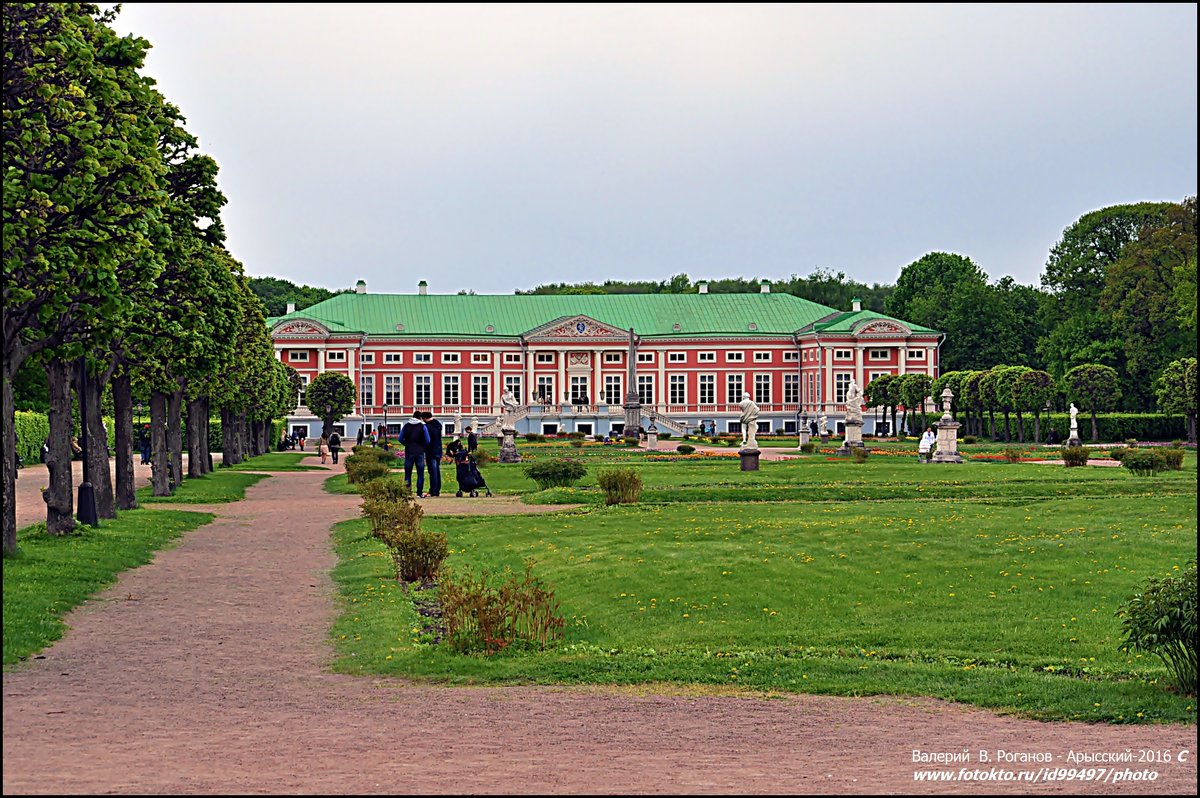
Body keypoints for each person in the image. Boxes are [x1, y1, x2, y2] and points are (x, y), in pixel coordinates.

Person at [399, 411, 430, 497]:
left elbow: (400, 438)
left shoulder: (406, 426)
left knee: (408, 473)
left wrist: (407, 444)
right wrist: (422, 446)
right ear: (420, 418)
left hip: (409, 451)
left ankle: (407, 493)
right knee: (420, 473)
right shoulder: (422, 426)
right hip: (420, 452)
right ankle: (419, 493)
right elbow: (428, 440)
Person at [420, 411, 443, 497]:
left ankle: (434, 491)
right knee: (437, 471)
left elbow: (426, 439)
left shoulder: (427, 427)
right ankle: (436, 490)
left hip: (431, 451)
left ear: (425, 418)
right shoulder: (438, 424)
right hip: (438, 450)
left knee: (432, 472)